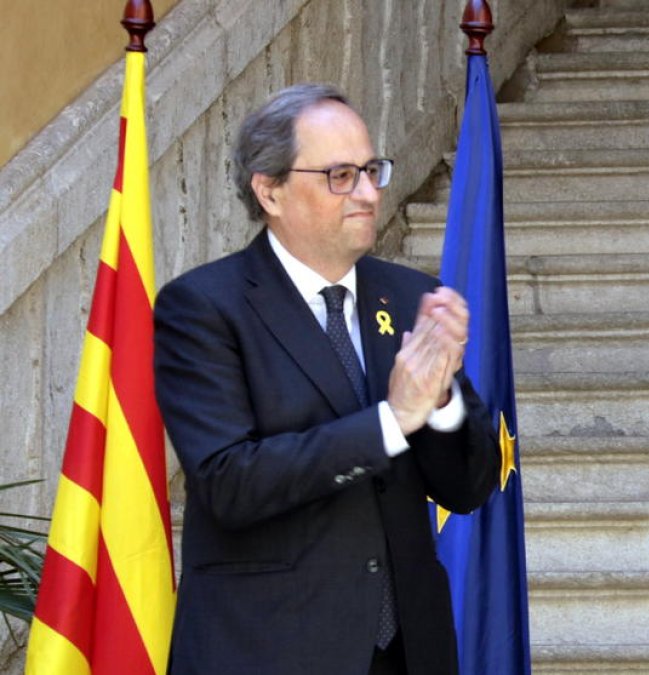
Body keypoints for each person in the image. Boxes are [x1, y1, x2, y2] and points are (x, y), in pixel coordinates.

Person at [154, 84, 499, 675]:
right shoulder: (203, 308)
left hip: (409, 651)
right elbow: (230, 483)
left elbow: (468, 489)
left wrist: (441, 400)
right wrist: (392, 420)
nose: (368, 192)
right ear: (271, 190)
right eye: (340, 175)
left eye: (371, 170)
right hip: (270, 649)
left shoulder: (411, 296)